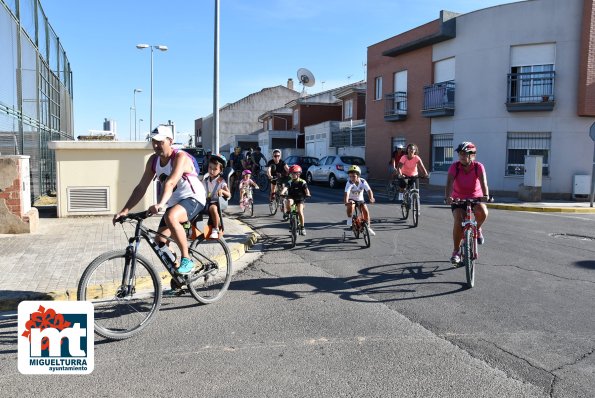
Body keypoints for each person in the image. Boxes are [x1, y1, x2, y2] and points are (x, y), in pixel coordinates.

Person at [113, 125, 206, 274]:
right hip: (175, 202)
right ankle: (179, 274)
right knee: (160, 241)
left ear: (170, 141)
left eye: (160, 141)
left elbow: (170, 182)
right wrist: (124, 210)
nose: (156, 145)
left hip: (194, 197)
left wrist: (161, 204)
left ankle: (187, 260)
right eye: (153, 141)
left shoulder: (180, 157)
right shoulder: (153, 161)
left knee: (171, 216)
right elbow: (141, 187)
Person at [445, 141, 490, 264]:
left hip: (476, 198)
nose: (461, 156)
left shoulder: (478, 166)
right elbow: (449, 182)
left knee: (483, 212)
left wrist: (486, 195)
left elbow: (483, 182)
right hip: (458, 199)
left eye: (464, 154)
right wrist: (448, 196)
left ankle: (478, 229)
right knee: (458, 221)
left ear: (472, 155)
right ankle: (456, 252)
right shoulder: (454, 166)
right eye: (460, 154)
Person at [203, 153, 231, 239]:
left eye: (215, 169)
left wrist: (222, 191)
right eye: (210, 168)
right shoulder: (205, 180)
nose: (211, 171)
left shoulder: (221, 181)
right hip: (206, 202)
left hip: (217, 203)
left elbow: (229, 194)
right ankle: (191, 229)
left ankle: (215, 229)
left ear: (220, 171)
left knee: (212, 208)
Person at [344, 165, 376, 236]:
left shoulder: (363, 181)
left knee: (366, 211)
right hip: (351, 199)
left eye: (354, 176)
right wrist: (346, 202)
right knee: (351, 205)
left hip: (360, 200)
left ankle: (368, 227)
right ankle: (349, 219)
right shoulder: (349, 183)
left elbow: (369, 190)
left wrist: (371, 198)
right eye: (350, 176)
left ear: (358, 175)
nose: (352, 178)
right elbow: (347, 193)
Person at [281, 165, 311, 235]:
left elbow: (306, 190)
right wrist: (282, 193)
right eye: (291, 173)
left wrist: (308, 194)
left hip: (300, 199)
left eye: (294, 173)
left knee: (300, 211)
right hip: (292, 197)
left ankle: (302, 227)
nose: (293, 175)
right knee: (288, 201)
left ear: (298, 174)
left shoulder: (302, 182)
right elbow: (285, 188)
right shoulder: (290, 182)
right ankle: (288, 212)